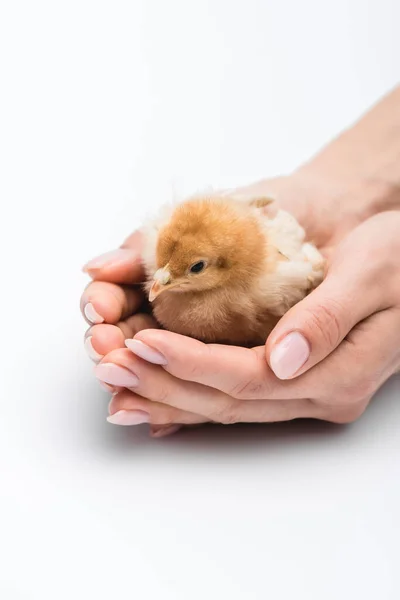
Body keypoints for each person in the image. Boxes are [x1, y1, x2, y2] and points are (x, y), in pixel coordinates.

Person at [81, 86, 400, 437]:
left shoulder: (279, 276)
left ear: (228, 267)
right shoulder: (167, 249)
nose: (159, 281)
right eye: (163, 262)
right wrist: (350, 189)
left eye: (195, 267)